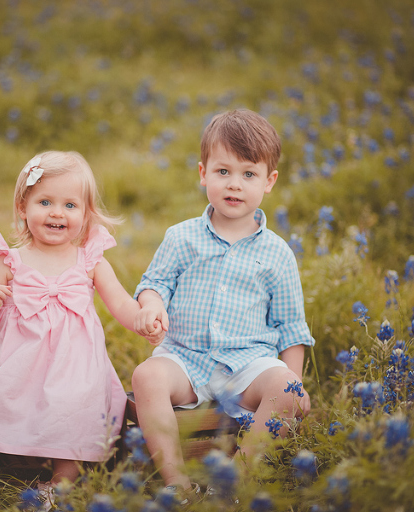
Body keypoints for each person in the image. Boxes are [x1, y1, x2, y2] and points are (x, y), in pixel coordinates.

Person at [0, 151, 160, 507]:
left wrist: (142, 320)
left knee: (76, 415)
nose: (57, 212)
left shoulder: (90, 261)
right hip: (20, 368)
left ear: (85, 215)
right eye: (45, 201)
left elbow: (122, 305)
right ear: (23, 207)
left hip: (75, 373)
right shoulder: (9, 261)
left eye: (70, 205)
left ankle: (57, 485)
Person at [132, 109, 315, 495]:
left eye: (248, 174)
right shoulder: (181, 237)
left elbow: (290, 327)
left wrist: (293, 382)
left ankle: (236, 478)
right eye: (223, 172)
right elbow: (154, 284)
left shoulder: (278, 253)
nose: (234, 184)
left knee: (288, 388)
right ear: (203, 173)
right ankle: (176, 482)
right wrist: (151, 305)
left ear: (269, 181)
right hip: (185, 357)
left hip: (248, 363)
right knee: (146, 377)